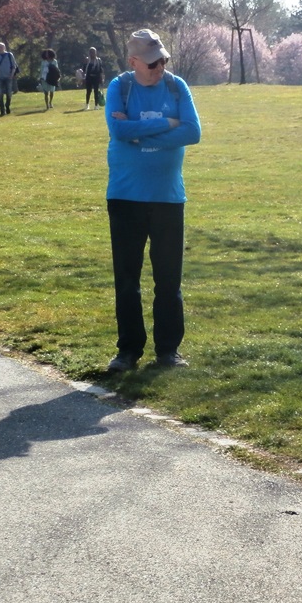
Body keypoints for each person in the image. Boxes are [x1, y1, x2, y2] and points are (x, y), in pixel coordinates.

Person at [104, 29, 202, 372]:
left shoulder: (177, 86)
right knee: (127, 280)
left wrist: (141, 128)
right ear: (133, 62)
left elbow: (193, 132)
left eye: (161, 60)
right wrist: (167, 123)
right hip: (125, 196)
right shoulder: (120, 87)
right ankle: (128, 351)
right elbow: (118, 132)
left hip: (167, 198)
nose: (158, 67)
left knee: (168, 280)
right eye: (150, 63)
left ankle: (168, 352)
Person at [0, 42, 19, 116]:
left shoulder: (9, 55)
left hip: (8, 77)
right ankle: (2, 110)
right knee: (0, 94)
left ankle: (7, 105)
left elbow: (14, 66)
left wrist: (11, 75)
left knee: (9, 93)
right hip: (0, 77)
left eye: (2, 47)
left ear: (4, 48)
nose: (0, 48)